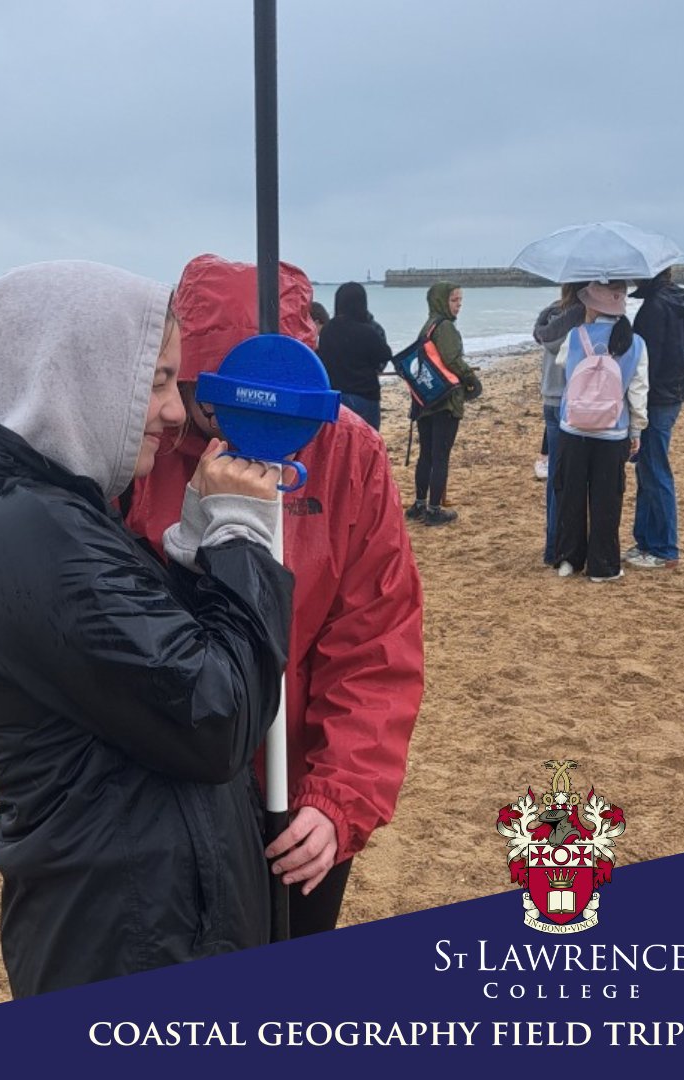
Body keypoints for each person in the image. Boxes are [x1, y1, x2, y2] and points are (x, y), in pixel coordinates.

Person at [0, 261, 295, 997]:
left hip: (131, 910)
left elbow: (144, 674)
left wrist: (193, 548)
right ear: (73, 374)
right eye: (154, 380)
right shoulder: (30, 531)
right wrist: (242, 539)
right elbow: (215, 716)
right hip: (131, 934)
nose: (171, 410)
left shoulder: (38, 511)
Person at [126, 253, 424, 938]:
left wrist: (338, 800)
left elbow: (376, 644)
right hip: (173, 790)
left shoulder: (349, 454)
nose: (217, 416)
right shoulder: (145, 443)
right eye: (202, 389)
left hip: (297, 791)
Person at [553, 281, 648, 583]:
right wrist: (636, 429)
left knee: (571, 494)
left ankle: (569, 558)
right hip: (612, 430)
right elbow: (638, 392)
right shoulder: (636, 342)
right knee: (607, 498)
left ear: (594, 306)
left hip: (574, 427)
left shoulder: (575, 335)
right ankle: (603, 565)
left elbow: (562, 368)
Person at [626, 268, 684, 569]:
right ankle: (645, 540)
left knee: (654, 470)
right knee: (647, 469)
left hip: (658, 397)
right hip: (674, 392)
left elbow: (644, 363)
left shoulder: (654, 308)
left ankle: (665, 548)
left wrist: (633, 403)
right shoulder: (677, 301)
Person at [404, 282, 479, 526]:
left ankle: (418, 504)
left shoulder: (427, 327)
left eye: (460, 301)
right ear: (441, 301)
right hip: (445, 400)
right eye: (454, 300)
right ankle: (434, 509)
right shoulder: (445, 327)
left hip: (425, 399)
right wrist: (472, 380)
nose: (459, 306)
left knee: (426, 455)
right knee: (440, 456)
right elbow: (452, 360)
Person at [532, 284, 585, 564]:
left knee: (556, 476)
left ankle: (552, 545)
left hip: (549, 398)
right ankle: (557, 547)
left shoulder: (550, 316)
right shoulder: (580, 318)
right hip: (569, 401)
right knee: (568, 476)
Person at [315, 281, 393, 429]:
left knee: (340, 444)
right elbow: (385, 355)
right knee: (367, 444)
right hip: (364, 395)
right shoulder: (368, 331)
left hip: (335, 396)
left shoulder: (328, 330)